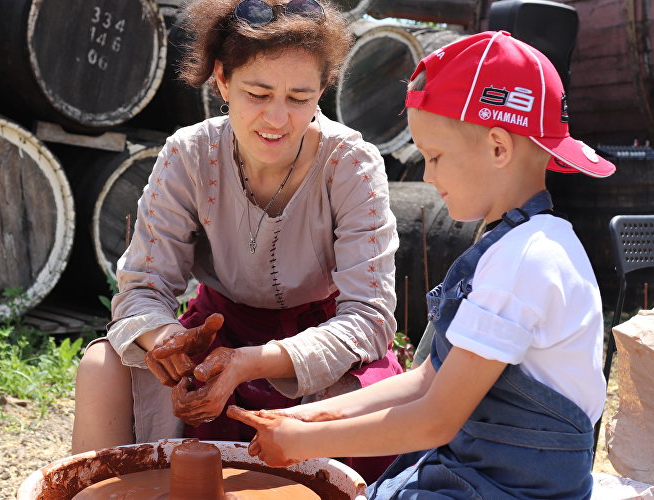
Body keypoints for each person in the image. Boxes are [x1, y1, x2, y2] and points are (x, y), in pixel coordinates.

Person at [227, 30, 617, 498]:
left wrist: (304, 443)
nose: (427, 175)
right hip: (479, 471)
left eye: (434, 156)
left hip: (514, 488)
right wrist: (308, 415)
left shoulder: (526, 261)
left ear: (498, 148)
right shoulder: (518, 244)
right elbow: (430, 378)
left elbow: (436, 419)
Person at [71, 0, 402, 482]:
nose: (277, 118)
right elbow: (142, 287)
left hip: (319, 345)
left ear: (323, 90)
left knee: (349, 408)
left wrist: (251, 364)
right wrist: (170, 343)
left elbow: (369, 318)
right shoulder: (189, 154)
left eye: (299, 97)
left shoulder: (349, 163)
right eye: (258, 92)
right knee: (102, 365)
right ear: (222, 80)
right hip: (215, 334)